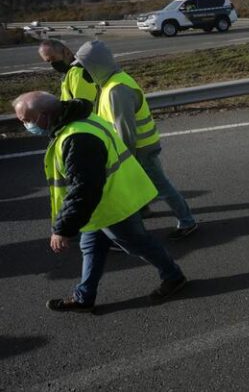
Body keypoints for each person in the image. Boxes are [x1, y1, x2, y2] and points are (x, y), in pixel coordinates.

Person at [12, 91, 187, 311]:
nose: (26, 126)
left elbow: (84, 188)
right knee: (91, 247)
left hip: (112, 204)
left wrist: (63, 228)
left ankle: (174, 276)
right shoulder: (80, 119)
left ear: (45, 115)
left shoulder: (77, 138)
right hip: (101, 205)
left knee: (138, 244)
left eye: (27, 120)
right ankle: (84, 297)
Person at [75, 40, 197, 240]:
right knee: (142, 183)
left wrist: (124, 158)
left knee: (161, 186)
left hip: (140, 148)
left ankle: (187, 221)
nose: (83, 73)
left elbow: (125, 130)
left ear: (97, 65)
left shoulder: (117, 90)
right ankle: (144, 210)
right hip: (139, 146)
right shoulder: (110, 83)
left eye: (84, 68)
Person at [38, 39, 98, 104]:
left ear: (67, 52)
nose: (52, 63)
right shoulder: (69, 73)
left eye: (53, 58)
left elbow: (81, 108)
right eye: (48, 61)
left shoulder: (78, 72)